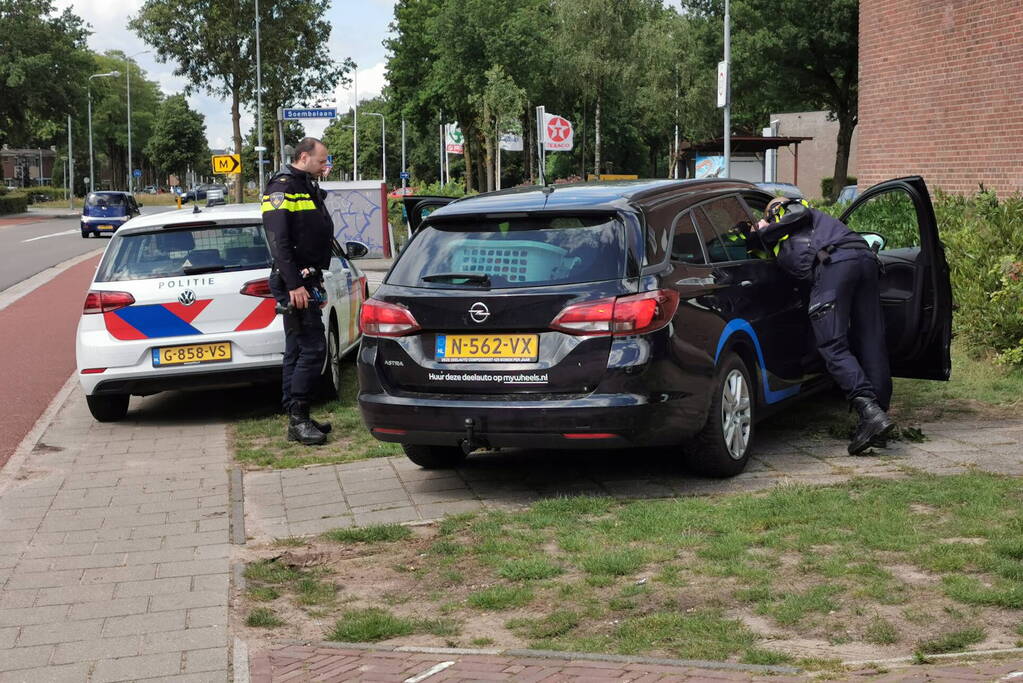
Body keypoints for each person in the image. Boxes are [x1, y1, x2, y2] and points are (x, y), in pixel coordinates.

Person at [752, 197, 894, 454]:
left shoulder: (789, 208)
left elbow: (797, 215)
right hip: (864, 258)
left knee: (831, 343)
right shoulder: (821, 224)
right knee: (870, 338)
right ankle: (880, 418)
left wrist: (765, 229)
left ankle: (869, 412)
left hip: (834, 263)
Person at [262, 137, 334, 446]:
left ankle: (296, 414)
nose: (325, 166)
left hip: (306, 278)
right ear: (303, 157)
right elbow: (279, 241)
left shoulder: (304, 184)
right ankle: (299, 419)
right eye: (321, 161)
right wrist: (295, 284)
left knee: (296, 348)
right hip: (295, 282)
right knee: (313, 348)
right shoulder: (282, 186)